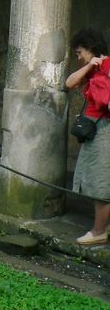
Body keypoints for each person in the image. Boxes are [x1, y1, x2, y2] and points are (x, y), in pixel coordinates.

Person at [65, 28, 110, 246]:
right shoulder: (93, 70)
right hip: (97, 129)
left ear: (90, 48)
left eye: (80, 52)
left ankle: (99, 231)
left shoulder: (108, 67)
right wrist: (89, 66)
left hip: (105, 129)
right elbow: (69, 83)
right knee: (95, 177)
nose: (79, 57)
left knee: (100, 181)